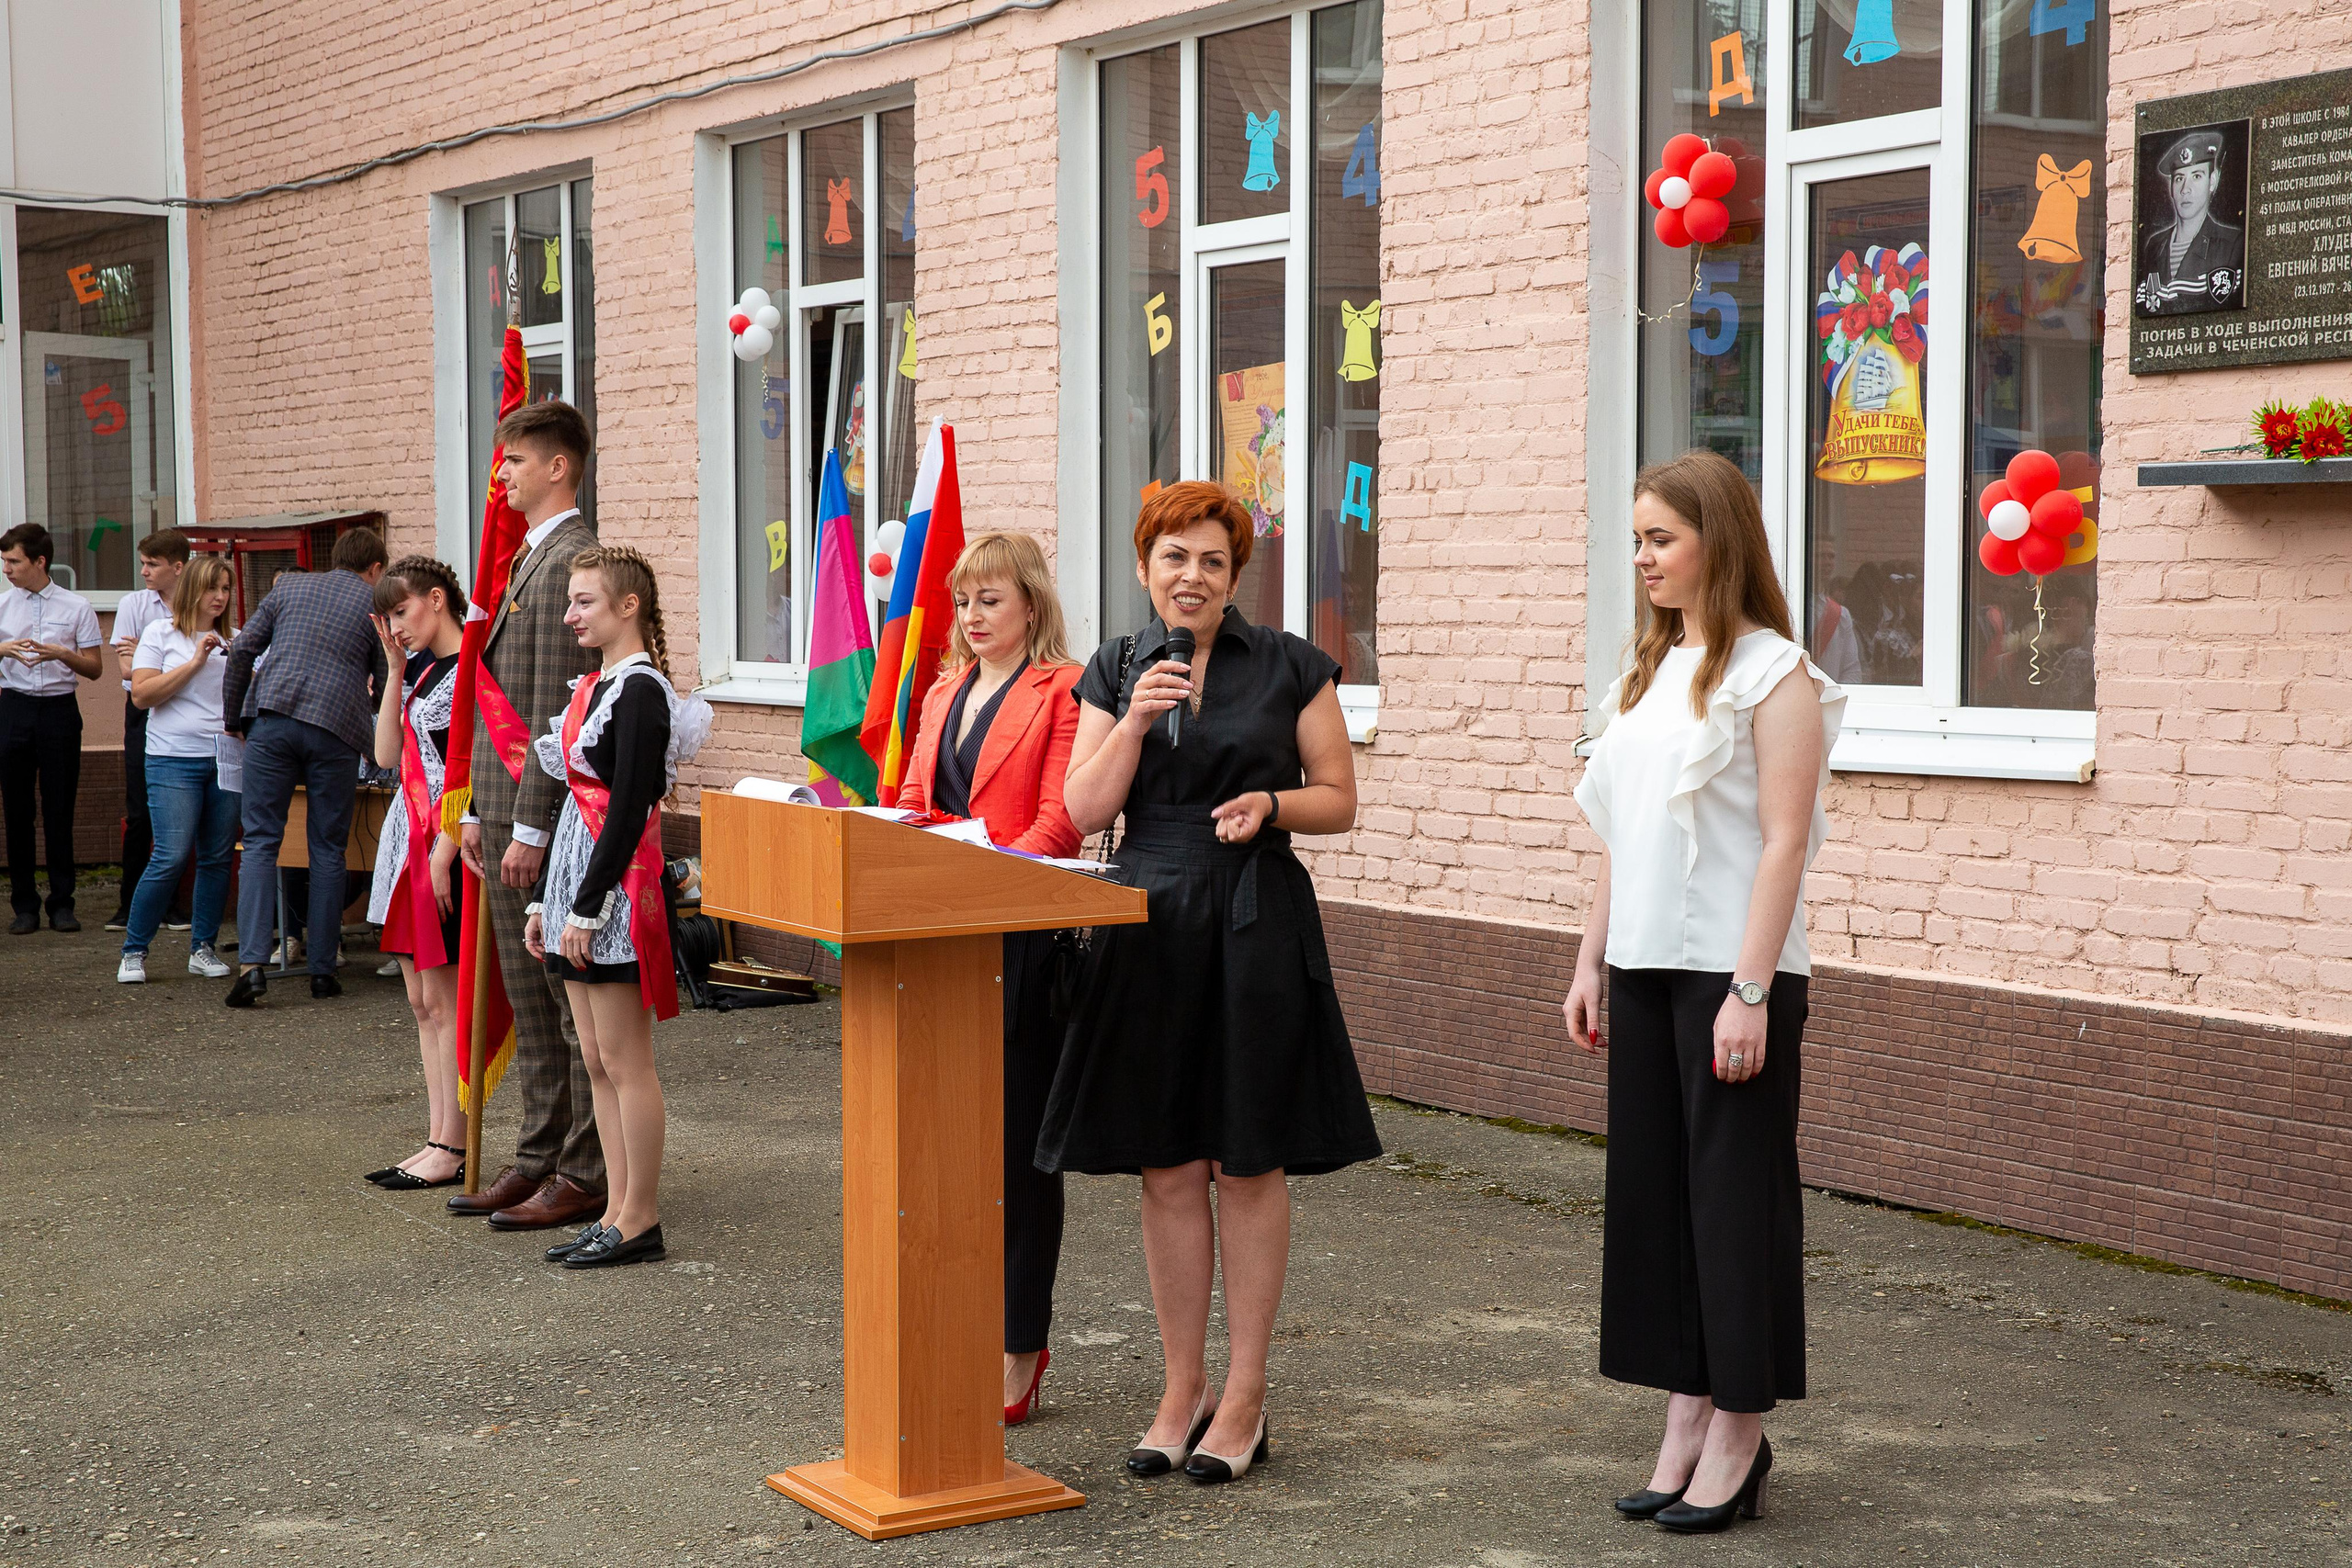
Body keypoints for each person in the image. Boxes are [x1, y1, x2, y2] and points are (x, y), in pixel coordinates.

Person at [1041, 480, 1380, 1485]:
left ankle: (1245, 1393)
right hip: (1147, 919)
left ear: (1236, 576)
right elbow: (1081, 808)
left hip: (1253, 916)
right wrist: (1133, 723)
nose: (1192, 576)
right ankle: (1180, 1386)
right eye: (1175, 557)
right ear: (1146, 566)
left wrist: (1270, 802)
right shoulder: (1115, 666)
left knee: (1248, 1160)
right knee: (1167, 1164)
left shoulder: (1290, 665)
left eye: (1213, 561)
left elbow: (1338, 799)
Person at [1561, 449, 1845, 1535]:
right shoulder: (1642, 676)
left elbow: (1783, 844)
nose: (1641, 558)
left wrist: (1750, 989)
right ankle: (1683, 1415)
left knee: (1732, 1210)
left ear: (1713, 542)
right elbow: (1619, 837)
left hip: (1734, 976)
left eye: (1660, 538)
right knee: (1659, 1207)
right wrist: (1589, 960)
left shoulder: (1776, 674)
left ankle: (1738, 1428)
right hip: (1639, 970)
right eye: (1636, 539)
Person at [892, 532, 1084, 1424]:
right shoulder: (941, 692)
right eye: (964, 601)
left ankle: (1020, 1344)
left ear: (1031, 605)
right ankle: (961, 1322)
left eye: (990, 599)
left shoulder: (1064, 689)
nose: (971, 616)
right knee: (948, 1153)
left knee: (1017, 1157)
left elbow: (1059, 824)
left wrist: (977, 880)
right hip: (938, 942)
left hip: (1020, 945)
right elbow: (913, 804)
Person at [522, 547, 710, 1269]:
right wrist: (546, 900)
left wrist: (588, 907)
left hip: (616, 889)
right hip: (577, 879)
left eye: (585, 601)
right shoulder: (592, 687)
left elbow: (629, 807)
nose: (571, 615)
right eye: (570, 601)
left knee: (627, 1060)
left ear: (628, 606)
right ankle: (613, 1209)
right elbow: (575, 802)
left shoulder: (640, 691)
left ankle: (641, 1217)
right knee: (596, 1057)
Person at [448, 400, 607, 1234]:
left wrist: (531, 827)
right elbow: (496, 699)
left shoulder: (573, 560)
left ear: (558, 467)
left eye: (514, 461)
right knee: (532, 1000)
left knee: (570, 1007)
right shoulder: (528, 556)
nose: (501, 475)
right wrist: (479, 807)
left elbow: (553, 706)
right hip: (504, 807)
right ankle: (539, 1154)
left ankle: (584, 1169)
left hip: (538, 820)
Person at [220, 528, 390, 1005]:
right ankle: (322, 970)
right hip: (337, 731)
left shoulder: (289, 587)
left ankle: (253, 966)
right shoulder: (374, 607)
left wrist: (233, 718)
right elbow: (385, 681)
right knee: (328, 848)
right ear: (376, 569)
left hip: (272, 719)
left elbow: (243, 650)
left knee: (260, 842)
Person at [361, 557, 470, 1191]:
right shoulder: (423, 669)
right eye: (387, 617)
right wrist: (397, 671)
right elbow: (384, 755)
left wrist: (445, 854)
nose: (396, 627)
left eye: (400, 612)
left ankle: (453, 1143)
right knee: (422, 1001)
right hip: (408, 838)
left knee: (446, 1002)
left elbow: (473, 772)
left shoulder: (471, 670)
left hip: (440, 846)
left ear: (436, 598)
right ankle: (436, 1136)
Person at [116, 556, 241, 984]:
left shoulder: (236, 639)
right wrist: (195, 664)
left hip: (224, 758)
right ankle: (134, 950)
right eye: (211, 588)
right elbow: (142, 695)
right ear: (191, 590)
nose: (220, 597)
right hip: (172, 758)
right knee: (171, 854)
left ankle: (202, 948)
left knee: (217, 857)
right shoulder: (160, 633)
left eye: (226, 588)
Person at [0, 523, 105, 933]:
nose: (7, 569)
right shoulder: (3, 605)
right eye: (4, 561)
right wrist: (4, 648)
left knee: (60, 808)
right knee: (17, 809)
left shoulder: (76, 607)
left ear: (40, 561)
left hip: (59, 710)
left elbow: (94, 668)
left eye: (14, 561)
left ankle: (62, 902)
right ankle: (24, 905)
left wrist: (63, 654)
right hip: (14, 708)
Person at [107, 529, 191, 932]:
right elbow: (127, 671)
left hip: (185, 709)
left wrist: (147, 653)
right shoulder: (133, 604)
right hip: (143, 710)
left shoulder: (196, 602)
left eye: (152, 564)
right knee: (140, 810)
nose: (144, 571)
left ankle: (171, 905)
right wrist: (168, 664)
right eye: (142, 563)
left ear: (178, 567)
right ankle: (129, 904)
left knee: (175, 812)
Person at [2135, 130, 2245, 315]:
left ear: (2212, 181)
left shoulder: (2231, 244)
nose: (2185, 189)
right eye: (2179, 179)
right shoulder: (2154, 246)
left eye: (2196, 176)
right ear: (2171, 187)